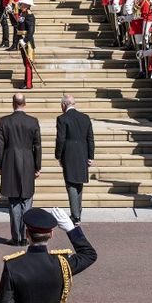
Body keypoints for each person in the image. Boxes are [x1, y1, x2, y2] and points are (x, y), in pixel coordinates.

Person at [0, 207, 98, 303]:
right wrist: (71, 229)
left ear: (27, 234)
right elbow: (89, 255)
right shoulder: (61, 263)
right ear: (51, 234)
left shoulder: (13, 265)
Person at [0, 93, 42, 246]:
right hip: (28, 162)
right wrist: (37, 166)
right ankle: (26, 236)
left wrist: (0, 165)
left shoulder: (4, 121)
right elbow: (37, 146)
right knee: (27, 202)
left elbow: (0, 145)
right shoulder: (33, 121)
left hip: (10, 162)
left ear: (13, 103)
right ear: (25, 103)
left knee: (14, 202)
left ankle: (17, 237)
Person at [55, 94, 94, 224]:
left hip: (69, 154)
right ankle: (78, 212)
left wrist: (58, 155)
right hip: (82, 153)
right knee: (79, 184)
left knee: (71, 184)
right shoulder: (85, 118)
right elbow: (90, 139)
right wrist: (90, 156)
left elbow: (60, 139)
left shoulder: (62, 118)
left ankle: (75, 215)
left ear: (64, 104)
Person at [13, 0, 37, 90]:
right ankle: (26, 81)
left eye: (22, 4)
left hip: (27, 42)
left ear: (26, 5)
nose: (21, 5)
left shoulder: (30, 16)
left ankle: (28, 84)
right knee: (25, 63)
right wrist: (11, 11)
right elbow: (17, 23)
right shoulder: (22, 13)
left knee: (28, 63)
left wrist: (25, 40)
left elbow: (31, 31)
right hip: (21, 40)